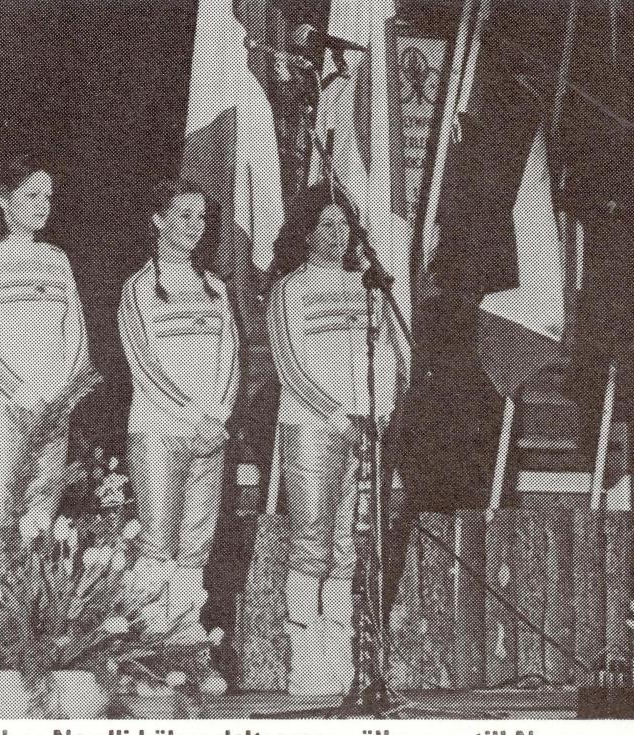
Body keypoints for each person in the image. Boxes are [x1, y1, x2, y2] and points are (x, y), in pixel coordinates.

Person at [267, 184, 408, 697]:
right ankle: (305, 656)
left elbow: (389, 355)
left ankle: (343, 652)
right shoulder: (288, 290)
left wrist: (379, 411)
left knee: (349, 545)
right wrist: (336, 413)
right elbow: (290, 365)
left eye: (343, 225)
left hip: (363, 428)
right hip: (311, 427)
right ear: (306, 234)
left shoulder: (367, 289)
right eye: (325, 225)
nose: (336, 234)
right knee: (311, 541)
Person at [118, 180, 240, 643]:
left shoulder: (215, 288)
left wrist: (218, 416)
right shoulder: (140, 287)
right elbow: (143, 360)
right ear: (159, 220)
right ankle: (149, 645)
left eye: (202, 217)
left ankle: (186, 643)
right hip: (159, 429)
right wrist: (192, 415)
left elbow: (231, 357)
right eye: (184, 216)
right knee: (157, 544)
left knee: (196, 546)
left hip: (210, 430)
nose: (195, 226)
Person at [0, 155, 90, 540]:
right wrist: (23, 391)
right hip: (0, 406)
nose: (43, 206)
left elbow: (76, 335)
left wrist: (61, 395)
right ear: (2, 199)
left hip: (53, 408)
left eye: (47, 198)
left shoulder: (56, 258)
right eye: (32, 196)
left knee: (39, 531)